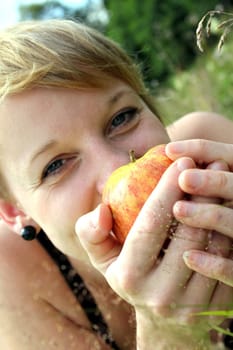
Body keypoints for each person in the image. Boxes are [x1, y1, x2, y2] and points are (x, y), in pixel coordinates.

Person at [0, 18, 232, 350]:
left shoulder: (213, 151)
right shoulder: (13, 278)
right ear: (12, 211)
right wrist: (167, 335)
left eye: (121, 118)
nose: (117, 167)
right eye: (55, 166)